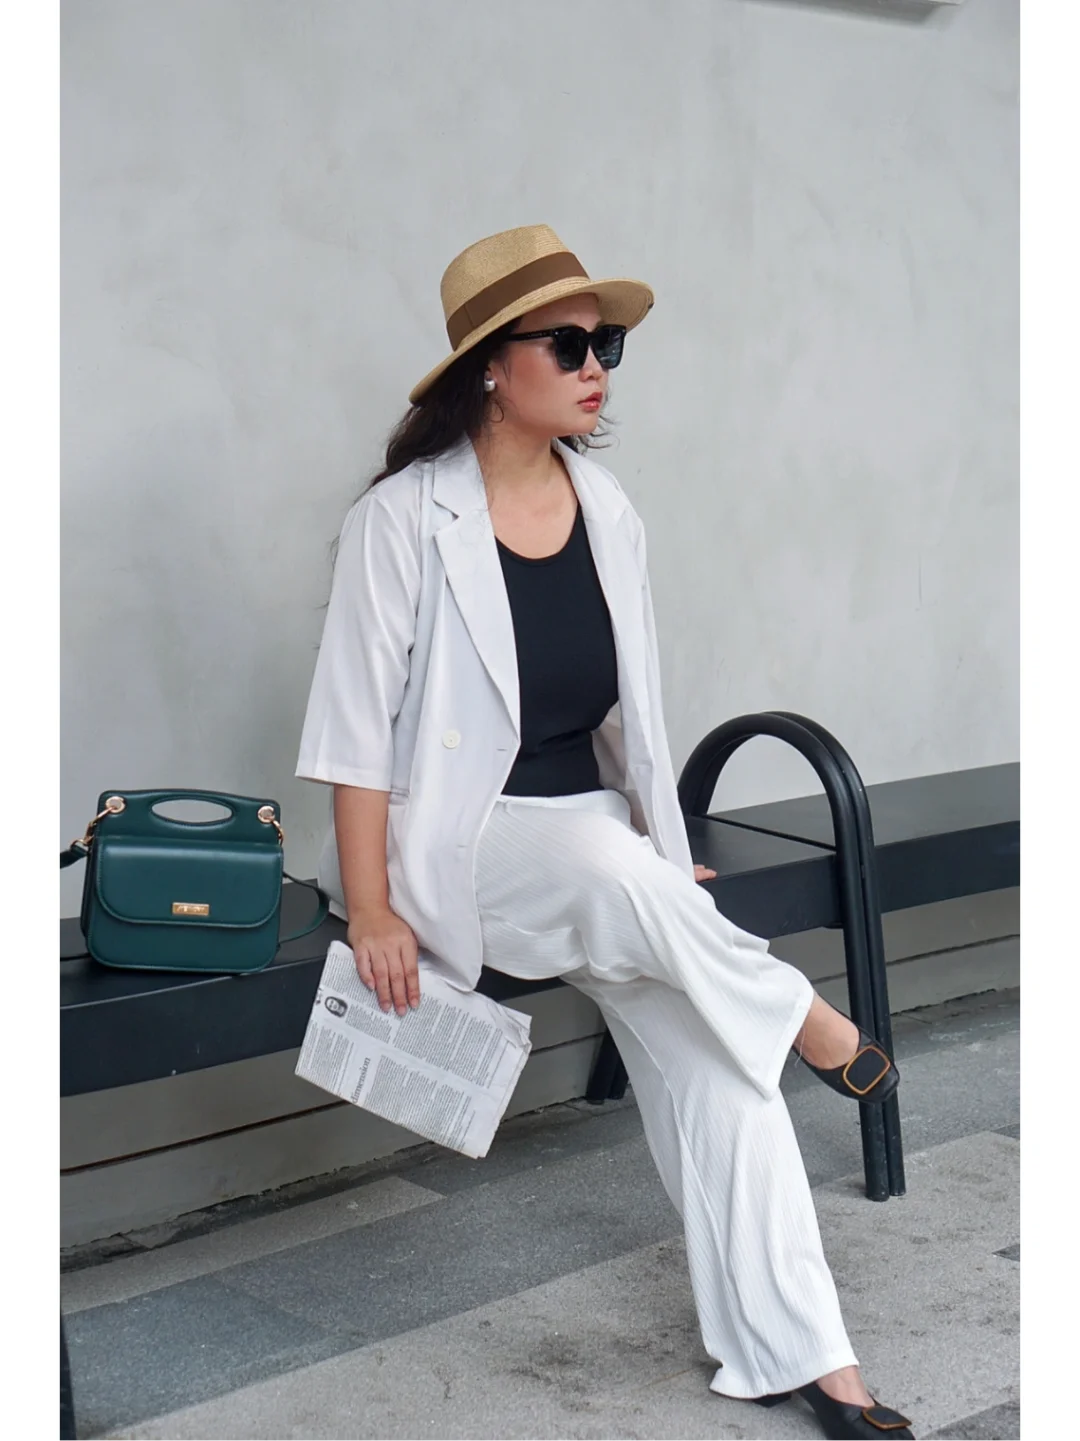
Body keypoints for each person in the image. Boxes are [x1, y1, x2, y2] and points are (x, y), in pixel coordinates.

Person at [296, 224, 915, 1441]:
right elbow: (352, 733)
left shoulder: (608, 507)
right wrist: (369, 906)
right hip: (456, 844)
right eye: (569, 345)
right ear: (491, 365)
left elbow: (636, 714)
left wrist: (661, 856)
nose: (598, 368)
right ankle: (800, 1008)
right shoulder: (403, 520)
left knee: (721, 1067)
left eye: (608, 344)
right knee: (610, 873)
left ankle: (810, 1359)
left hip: (592, 844)